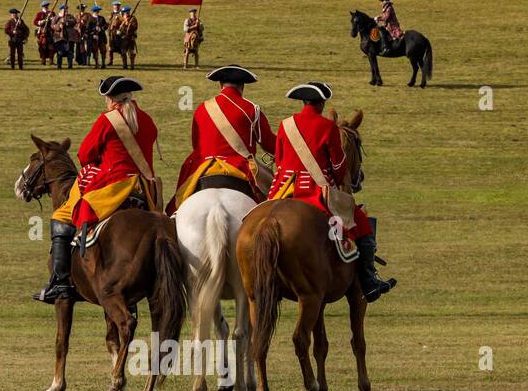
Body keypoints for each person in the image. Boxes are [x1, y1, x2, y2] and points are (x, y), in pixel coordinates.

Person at [34, 76, 160, 304]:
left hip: (114, 186)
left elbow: (84, 154)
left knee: (62, 214)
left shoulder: (108, 120)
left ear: (111, 100)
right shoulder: (147, 120)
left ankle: (60, 281)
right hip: (143, 189)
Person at [268, 82, 395, 301]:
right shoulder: (328, 128)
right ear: (321, 103)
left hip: (283, 190)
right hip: (316, 192)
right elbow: (338, 166)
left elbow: (279, 161)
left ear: (303, 102)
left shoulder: (284, 124)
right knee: (360, 222)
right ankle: (369, 280)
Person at [168, 64, 275, 214]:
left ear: (220, 85)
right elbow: (268, 143)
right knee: (272, 205)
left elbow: (196, 144)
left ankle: (174, 215)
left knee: (179, 201)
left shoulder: (202, 108)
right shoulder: (251, 109)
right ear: (242, 86)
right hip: (240, 168)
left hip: (204, 166)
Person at [51, 5, 77, 69]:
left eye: (67, 10)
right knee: (59, 52)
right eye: (64, 10)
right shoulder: (55, 17)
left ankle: (70, 66)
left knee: (70, 52)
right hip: (59, 37)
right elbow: (52, 26)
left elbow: (74, 22)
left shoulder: (70, 17)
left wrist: (66, 22)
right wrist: (59, 26)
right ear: (60, 10)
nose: (66, 11)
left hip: (69, 37)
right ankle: (59, 66)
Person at [32, 0, 53, 65]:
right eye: (45, 6)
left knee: (51, 47)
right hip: (42, 32)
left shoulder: (52, 13)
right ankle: (43, 60)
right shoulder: (39, 14)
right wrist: (42, 21)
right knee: (42, 47)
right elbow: (35, 22)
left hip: (50, 32)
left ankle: (51, 60)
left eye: (47, 5)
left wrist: (51, 18)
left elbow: (55, 20)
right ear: (42, 7)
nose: (46, 7)